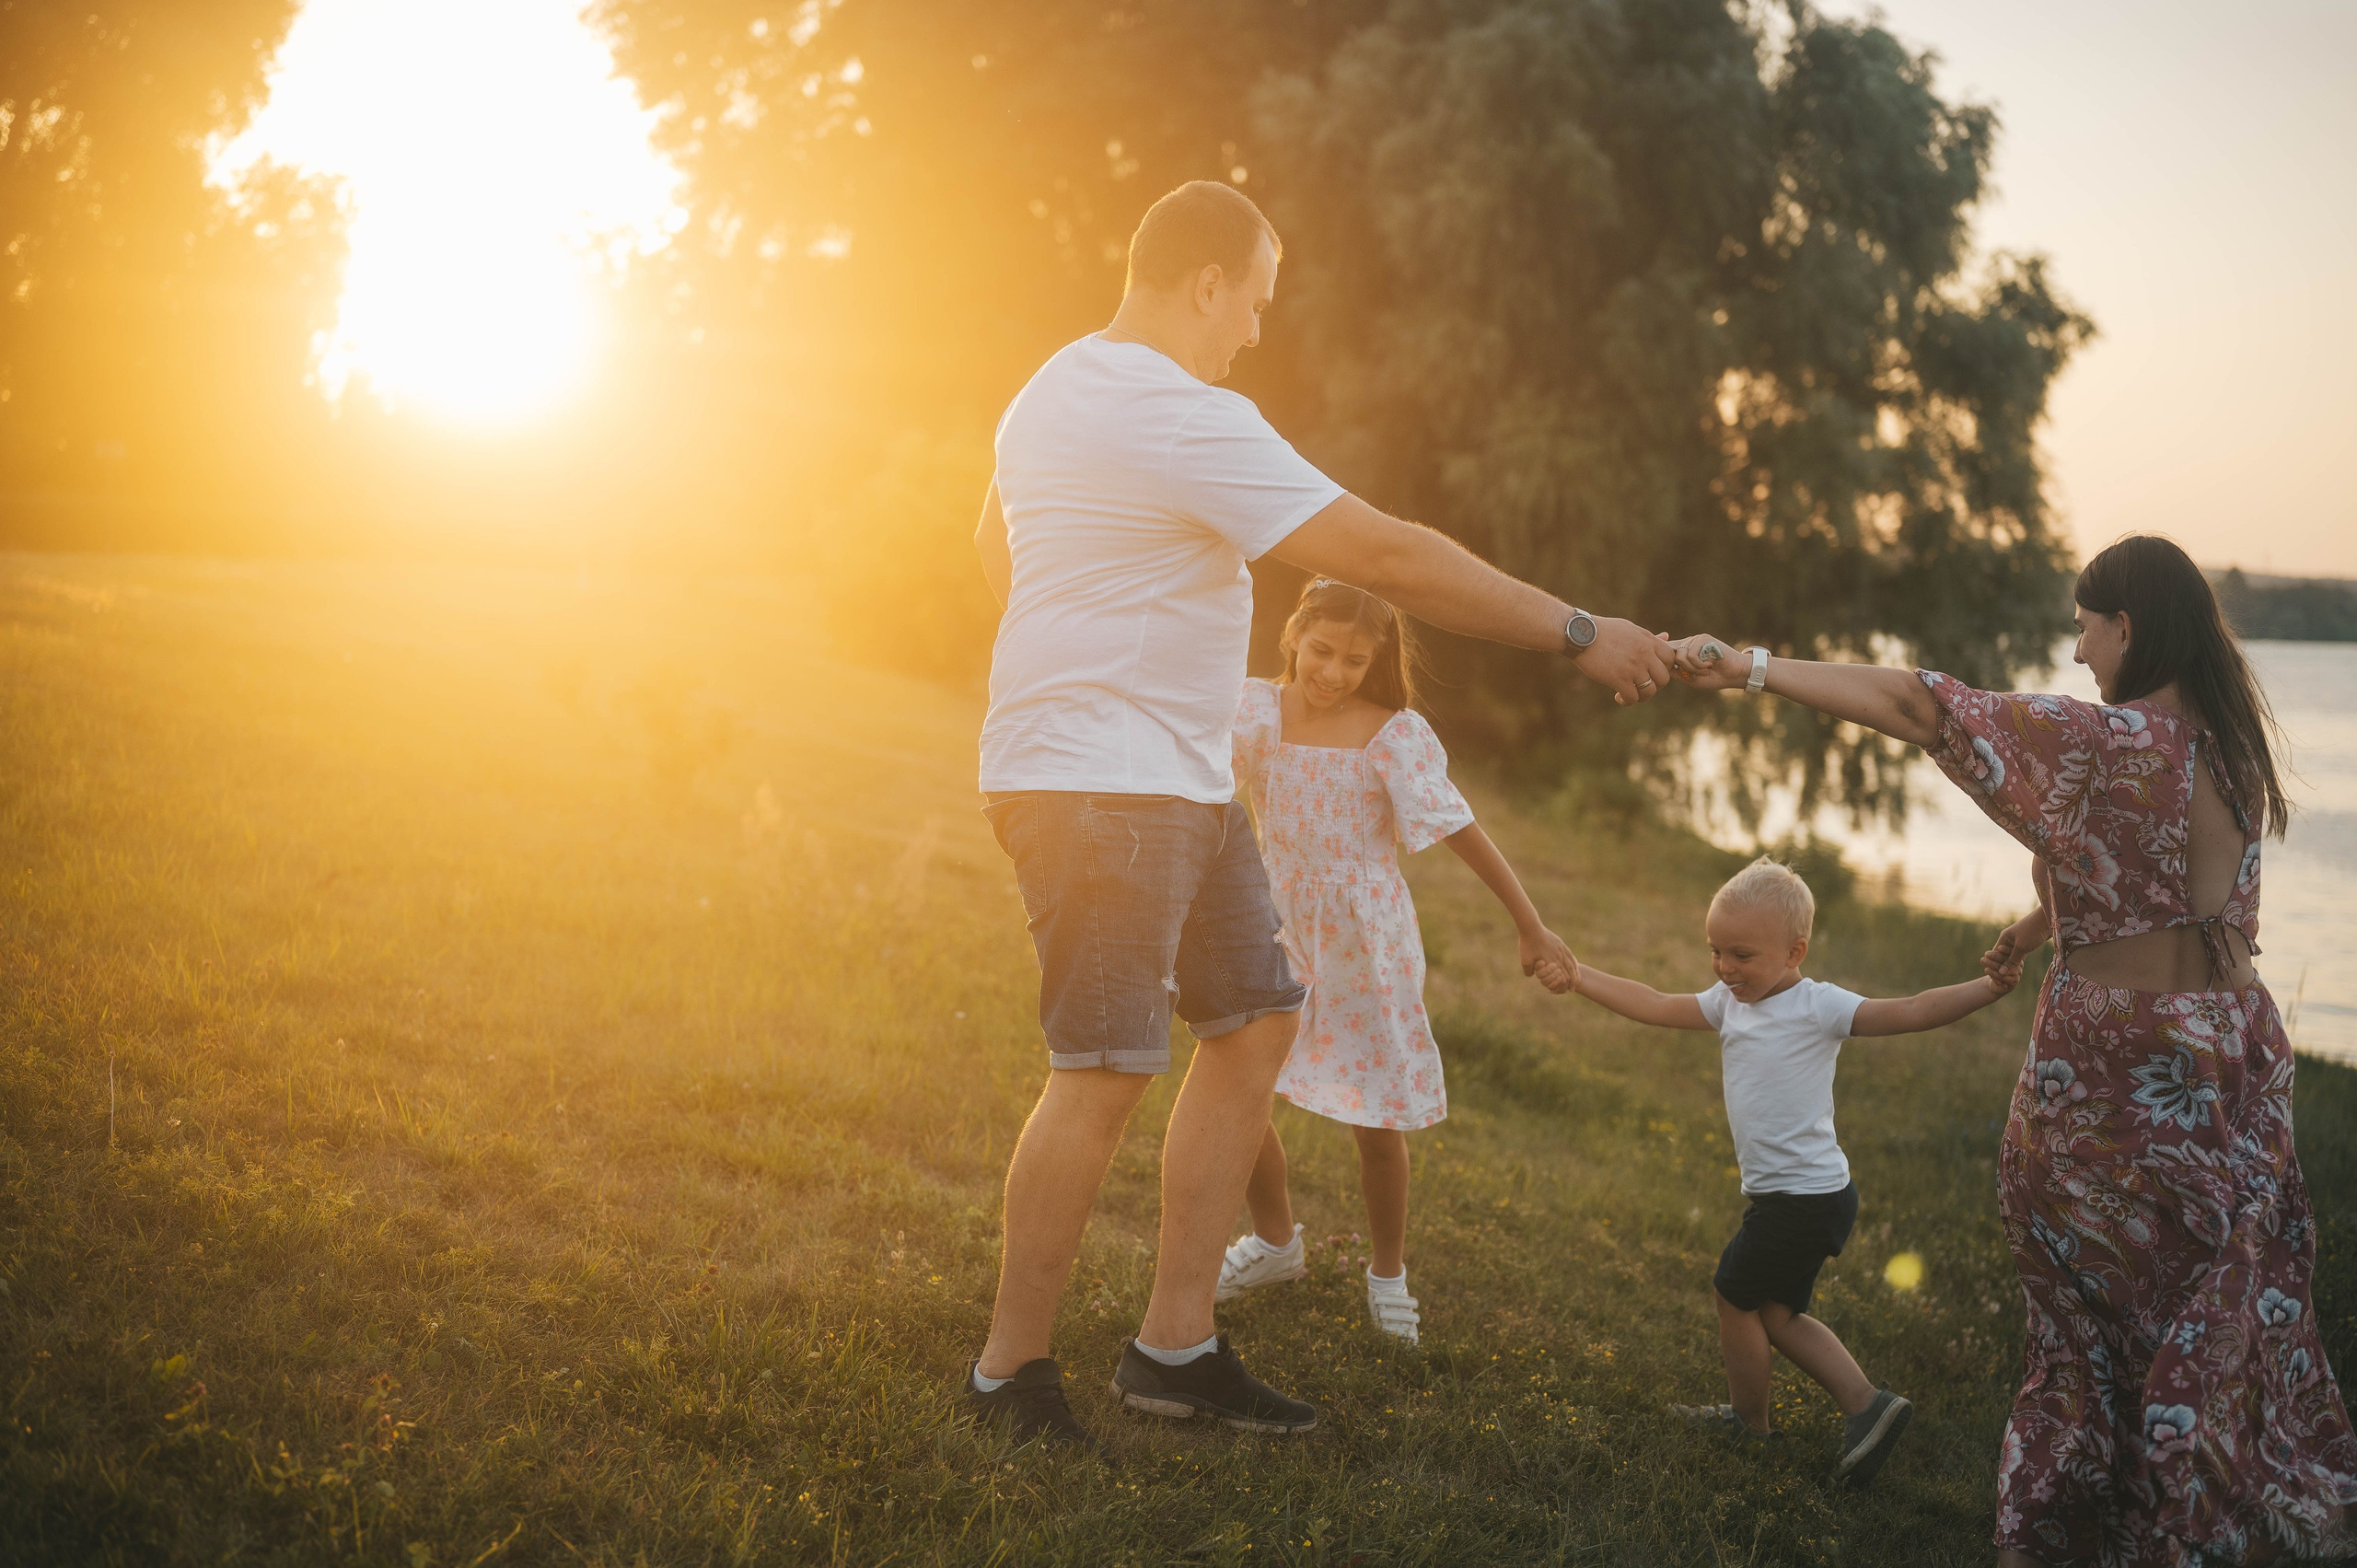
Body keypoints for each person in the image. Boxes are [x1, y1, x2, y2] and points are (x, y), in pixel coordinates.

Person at [964, 179, 1676, 1449]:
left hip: (1171, 772)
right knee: (1106, 1068)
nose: (1253, 330)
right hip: (1109, 779)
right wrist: (1578, 630)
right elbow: (1391, 555)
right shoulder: (1186, 413)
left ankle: (1174, 1344)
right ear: (1206, 282)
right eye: (1254, 302)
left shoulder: (1050, 388)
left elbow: (993, 543)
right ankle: (1009, 1370)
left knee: (1257, 1020)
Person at [1672, 535, 2357, 1562]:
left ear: (2128, 625)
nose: (2079, 652)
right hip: (2233, 1050)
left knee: (2092, 1300)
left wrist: (1750, 666)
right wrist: (2040, 924)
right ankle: (2203, 1484)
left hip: (2118, 1065)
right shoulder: (2232, 749)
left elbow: (1919, 704)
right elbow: (2157, 882)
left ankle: (2116, 1512)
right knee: (2209, 1286)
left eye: (2086, 625)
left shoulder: (2112, 741)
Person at [1566, 855, 2017, 1483]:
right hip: (1804, 1197)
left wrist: (1988, 988)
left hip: (1802, 1199)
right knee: (1776, 1313)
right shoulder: (1730, 1004)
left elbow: (1912, 1008)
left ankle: (1750, 1425)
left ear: (1794, 950)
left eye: (1742, 955)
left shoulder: (1818, 1006)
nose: (1725, 967)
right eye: (1716, 951)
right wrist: (1580, 974)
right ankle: (1867, 1404)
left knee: (1733, 1294)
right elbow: (1653, 1001)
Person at [1213, 579, 1577, 1344]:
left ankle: (1387, 1273)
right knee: (1237, 1093)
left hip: (1363, 947)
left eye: (1353, 659)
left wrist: (1530, 923)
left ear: (1376, 659)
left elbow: (1460, 828)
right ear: (1294, 634)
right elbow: (1201, 787)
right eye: (1321, 651)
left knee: (1376, 1119)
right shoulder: (1253, 709)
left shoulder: (1391, 734)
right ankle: (1275, 1242)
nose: (1333, 672)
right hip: (1269, 927)